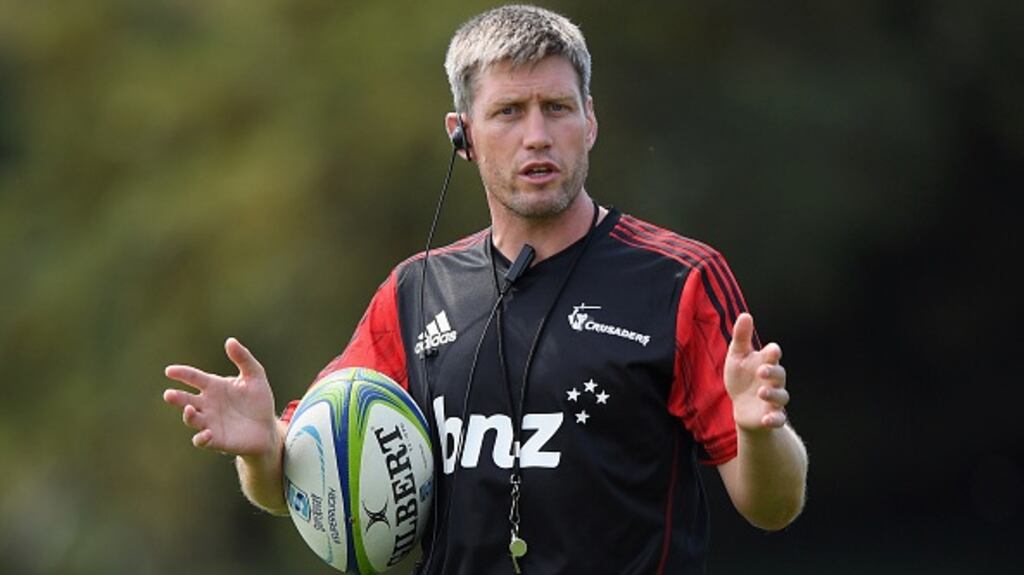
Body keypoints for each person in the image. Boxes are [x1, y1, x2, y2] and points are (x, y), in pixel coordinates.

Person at [163, 5, 808, 574]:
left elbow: (774, 508)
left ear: (590, 121)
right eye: (508, 112)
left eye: (556, 108)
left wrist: (757, 432)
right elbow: (303, 486)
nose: (537, 135)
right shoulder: (414, 292)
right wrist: (260, 451)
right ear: (463, 134)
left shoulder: (678, 279)